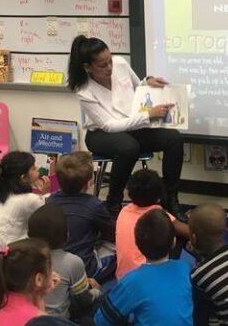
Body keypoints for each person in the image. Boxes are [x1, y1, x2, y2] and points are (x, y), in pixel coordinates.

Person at [67, 35, 184, 216]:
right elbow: (109, 125)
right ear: (87, 67)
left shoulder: (120, 63)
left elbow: (138, 87)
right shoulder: (84, 90)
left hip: (133, 125)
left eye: (110, 61)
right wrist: (147, 116)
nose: (110, 67)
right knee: (128, 147)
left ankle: (170, 199)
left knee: (174, 138)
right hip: (100, 134)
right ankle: (113, 203)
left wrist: (148, 82)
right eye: (102, 65)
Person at [89, 208, 194, 326]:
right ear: (173, 242)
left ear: (137, 244)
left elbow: (101, 323)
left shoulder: (133, 280)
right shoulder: (184, 268)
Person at [46, 151, 115, 277]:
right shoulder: (94, 205)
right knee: (117, 246)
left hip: (54, 264)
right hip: (84, 268)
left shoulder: (51, 200)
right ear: (89, 183)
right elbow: (112, 234)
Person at [27, 203, 101, 320]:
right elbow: (83, 300)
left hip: (24, 321)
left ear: (29, 235)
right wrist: (98, 291)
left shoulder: (20, 257)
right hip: (57, 325)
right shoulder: (72, 262)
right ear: (67, 236)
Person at [115, 169, 189, 280]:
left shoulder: (124, 211)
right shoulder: (158, 213)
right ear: (159, 194)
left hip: (122, 278)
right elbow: (189, 232)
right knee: (179, 237)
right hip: (150, 278)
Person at [0, 151, 48, 247]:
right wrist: (45, 194)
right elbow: (46, 216)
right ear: (23, 178)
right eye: (33, 168)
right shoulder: (30, 199)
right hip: (13, 251)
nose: (38, 168)